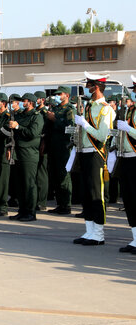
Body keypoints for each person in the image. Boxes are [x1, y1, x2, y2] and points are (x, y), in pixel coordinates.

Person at [72, 72, 115, 246]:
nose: (87, 88)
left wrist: (85, 125)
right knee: (86, 193)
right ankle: (89, 231)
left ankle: (98, 234)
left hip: (96, 153)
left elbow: (102, 136)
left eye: (89, 85)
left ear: (96, 86)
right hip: (84, 152)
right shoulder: (88, 107)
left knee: (97, 194)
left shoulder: (106, 109)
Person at [8, 93, 43, 222]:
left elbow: (33, 133)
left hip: (29, 154)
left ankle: (30, 212)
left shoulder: (36, 117)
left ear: (32, 102)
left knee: (29, 184)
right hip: (18, 152)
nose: (24, 102)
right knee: (20, 184)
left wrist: (17, 126)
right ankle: (22, 210)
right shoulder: (21, 115)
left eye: (26, 100)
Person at [116, 75, 136, 253]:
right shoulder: (131, 110)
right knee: (129, 199)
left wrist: (128, 129)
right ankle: (135, 239)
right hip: (127, 157)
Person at [46, 86, 74, 215]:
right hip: (53, 146)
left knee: (64, 176)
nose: (57, 96)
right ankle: (60, 203)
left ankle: (66, 205)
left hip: (64, 146)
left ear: (66, 95)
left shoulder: (69, 110)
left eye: (60, 94)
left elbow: (70, 128)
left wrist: (55, 120)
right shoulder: (55, 109)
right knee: (55, 175)